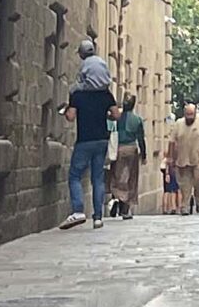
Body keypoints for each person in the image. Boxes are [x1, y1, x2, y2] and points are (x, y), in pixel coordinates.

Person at [62, 55, 117, 231]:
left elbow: (71, 116)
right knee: (98, 178)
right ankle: (98, 217)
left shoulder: (78, 94)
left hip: (85, 139)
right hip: (102, 140)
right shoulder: (106, 95)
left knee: (75, 175)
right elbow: (116, 115)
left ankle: (78, 210)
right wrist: (106, 114)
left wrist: (65, 110)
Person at [109, 93, 148, 216]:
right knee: (131, 177)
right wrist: (144, 154)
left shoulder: (116, 118)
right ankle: (125, 207)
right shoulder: (137, 120)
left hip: (118, 148)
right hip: (132, 149)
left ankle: (117, 197)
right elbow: (141, 139)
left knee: (117, 175)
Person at [167, 103, 199, 215]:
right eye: (187, 114)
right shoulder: (178, 124)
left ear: (195, 114)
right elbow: (171, 141)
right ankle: (185, 206)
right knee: (184, 185)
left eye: (191, 114)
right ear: (184, 114)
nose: (189, 117)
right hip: (183, 159)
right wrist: (170, 157)